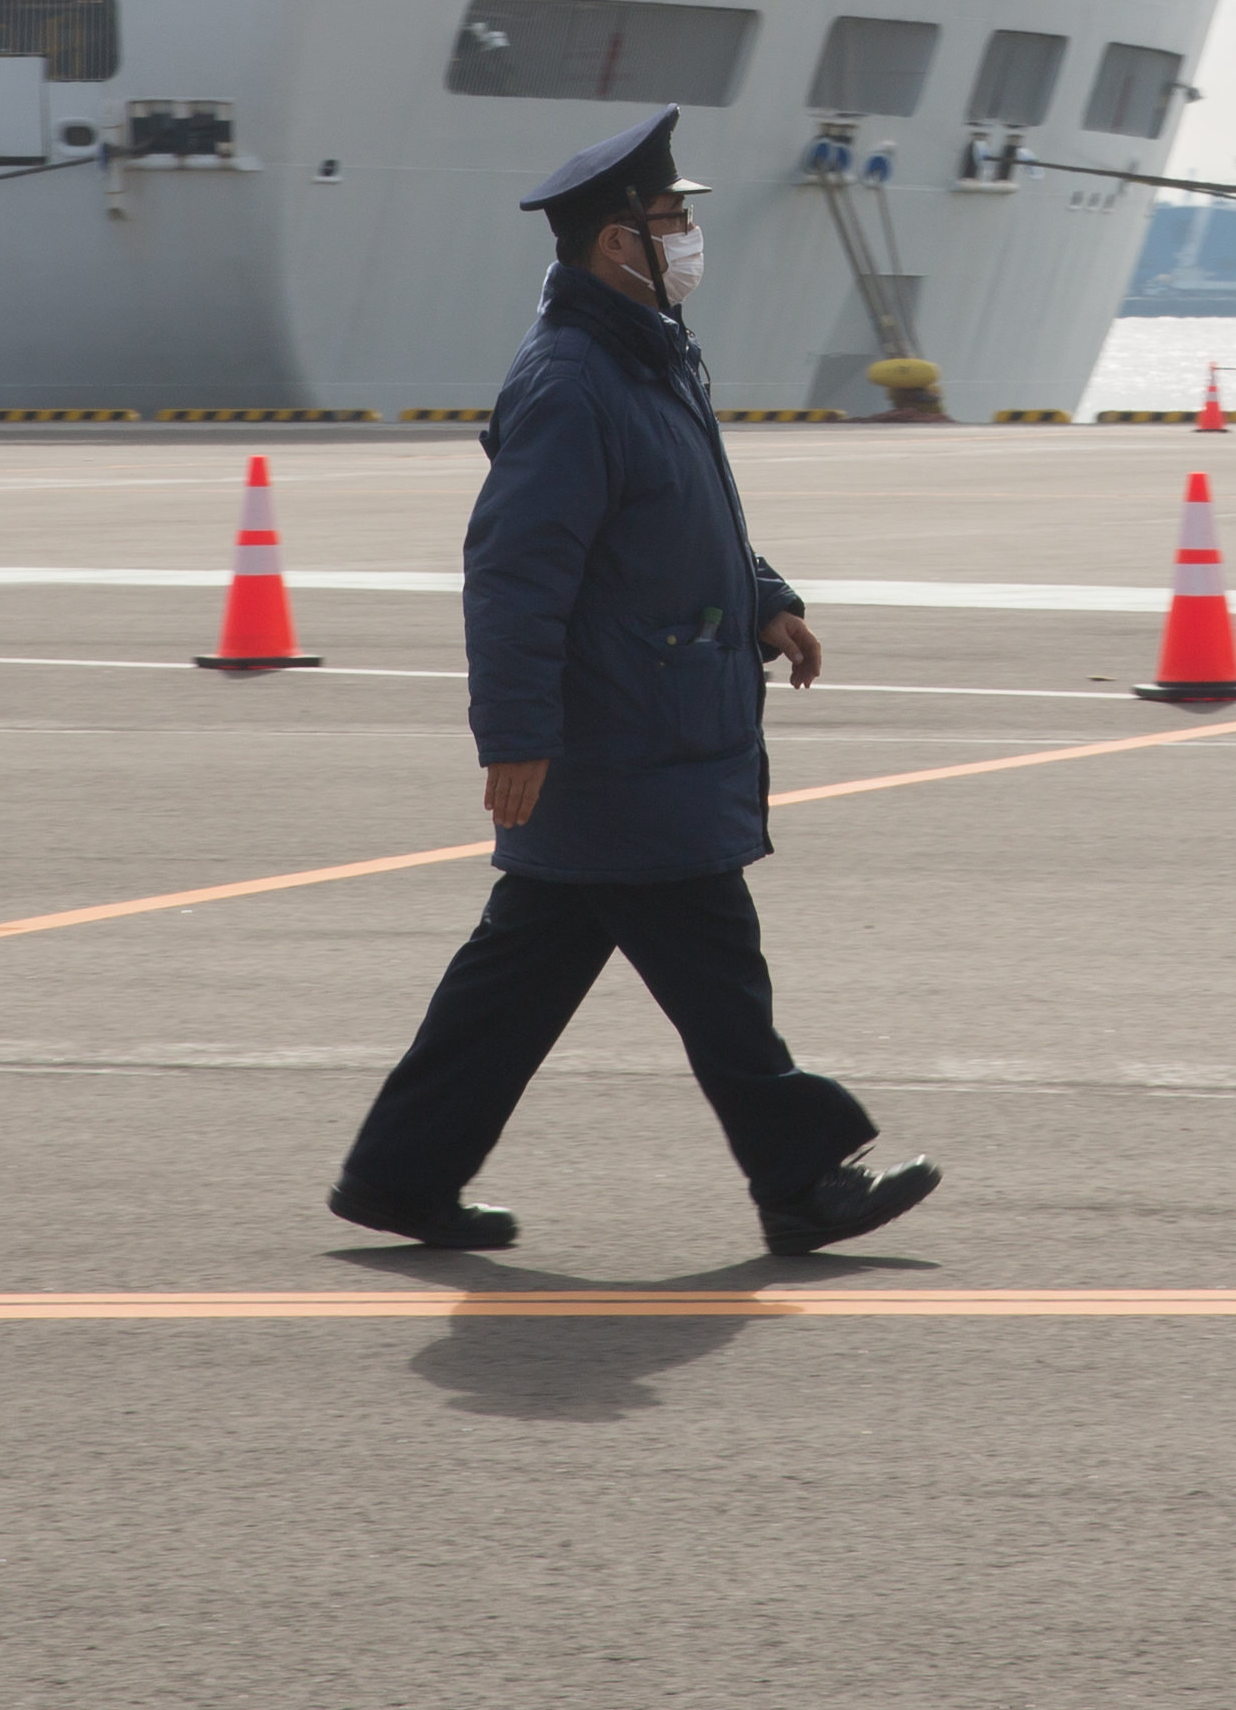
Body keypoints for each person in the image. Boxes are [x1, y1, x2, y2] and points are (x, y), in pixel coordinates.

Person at [328, 107, 944, 1259]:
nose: (688, 236)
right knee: (719, 976)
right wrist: (514, 736)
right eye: (672, 219)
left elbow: (682, 517)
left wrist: (765, 597)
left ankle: (400, 1174)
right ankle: (801, 1178)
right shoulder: (573, 381)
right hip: (622, 741)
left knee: (519, 976)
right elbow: (514, 576)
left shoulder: (646, 352)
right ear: (619, 241)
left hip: (648, 726)